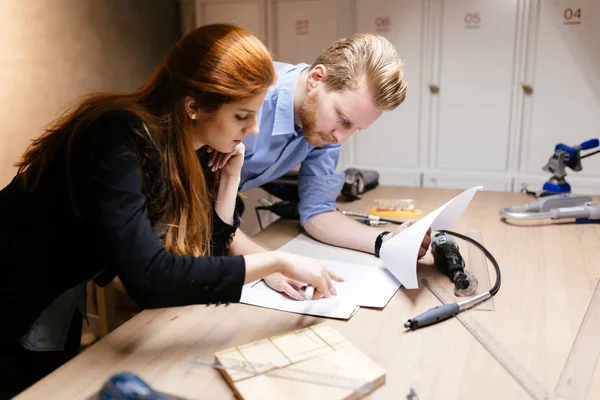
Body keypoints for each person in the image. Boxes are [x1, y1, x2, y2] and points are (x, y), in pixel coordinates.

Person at [0, 24, 342, 398]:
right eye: (242, 116)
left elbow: (203, 261)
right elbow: (149, 280)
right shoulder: (115, 137)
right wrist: (275, 262)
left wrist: (229, 181)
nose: (254, 129)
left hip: (57, 290)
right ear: (193, 106)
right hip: (13, 285)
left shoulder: (193, 148)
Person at [206, 33, 431, 300]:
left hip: (215, 222)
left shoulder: (325, 131)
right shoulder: (252, 99)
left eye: (356, 129)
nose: (341, 138)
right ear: (316, 79)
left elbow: (317, 212)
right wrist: (270, 264)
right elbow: (196, 204)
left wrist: (384, 242)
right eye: (343, 119)